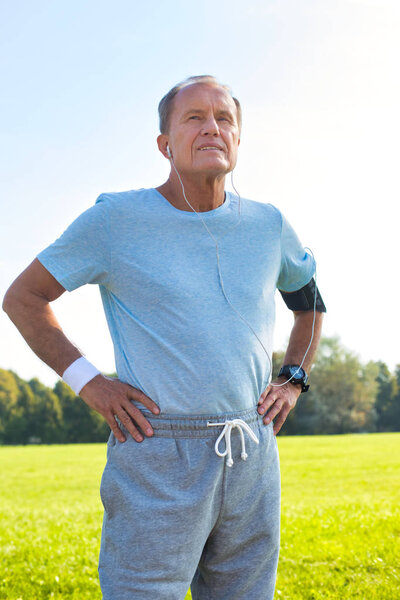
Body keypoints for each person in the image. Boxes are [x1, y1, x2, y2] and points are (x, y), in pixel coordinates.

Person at [3, 75, 325, 599]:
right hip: (157, 451)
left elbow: (310, 306)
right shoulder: (116, 220)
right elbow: (23, 298)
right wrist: (91, 384)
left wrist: (292, 379)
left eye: (224, 119)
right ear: (165, 144)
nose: (211, 129)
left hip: (250, 450)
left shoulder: (269, 226)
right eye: (193, 117)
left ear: (238, 141)